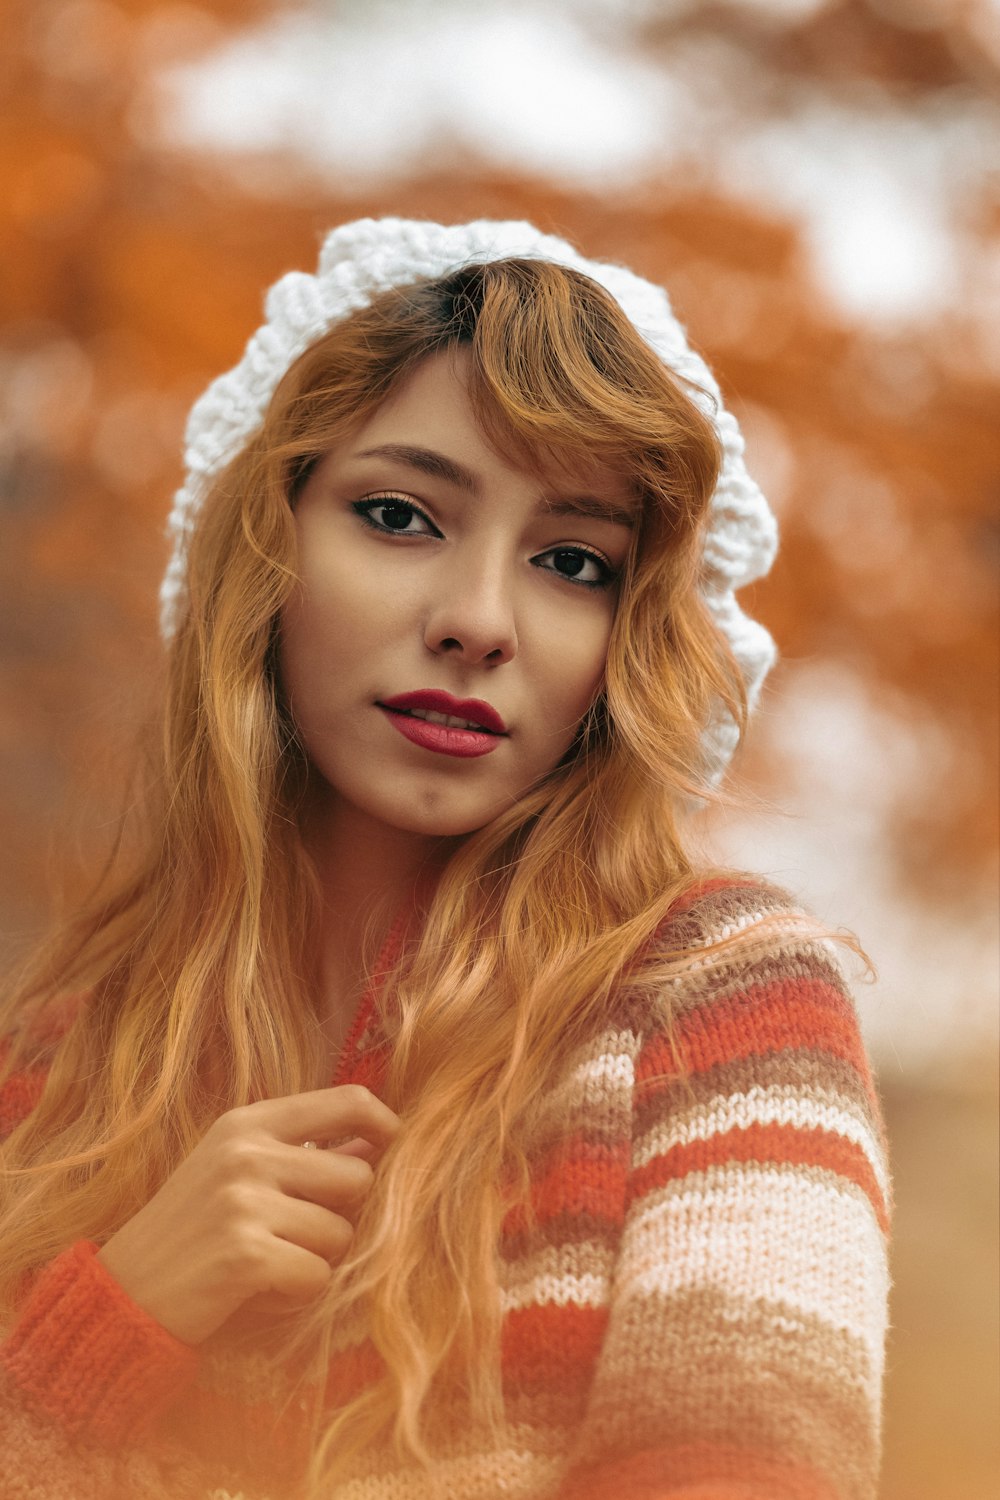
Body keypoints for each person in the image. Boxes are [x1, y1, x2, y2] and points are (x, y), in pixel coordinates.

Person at [0, 218, 891, 1500]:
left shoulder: (717, 1009)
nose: (477, 620)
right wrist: (103, 1335)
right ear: (268, 548)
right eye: (401, 515)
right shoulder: (55, 1076)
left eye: (571, 561)